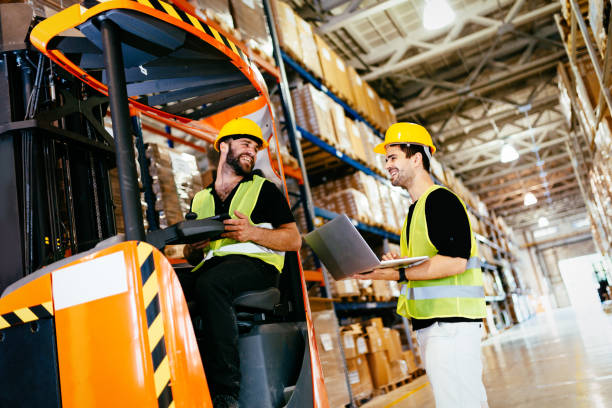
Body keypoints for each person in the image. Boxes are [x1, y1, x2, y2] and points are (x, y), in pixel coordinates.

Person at [354, 123, 488, 408]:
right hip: (434, 324)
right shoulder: (415, 210)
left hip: (451, 323)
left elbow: (454, 262)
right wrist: (393, 268)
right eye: (386, 159)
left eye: (392, 157)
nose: (387, 165)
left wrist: (396, 273)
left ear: (416, 158)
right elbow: (423, 264)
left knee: (460, 402)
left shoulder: (440, 201)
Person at [181, 118, 302, 408]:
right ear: (224, 145)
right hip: (213, 266)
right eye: (246, 143)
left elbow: (294, 240)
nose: (252, 150)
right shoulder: (200, 199)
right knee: (169, 289)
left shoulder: (265, 189)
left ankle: (225, 393)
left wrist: (252, 232)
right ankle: (185, 384)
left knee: (212, 285)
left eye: (255, 147)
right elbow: (192, 254)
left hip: (257, 268)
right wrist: (194, 249)